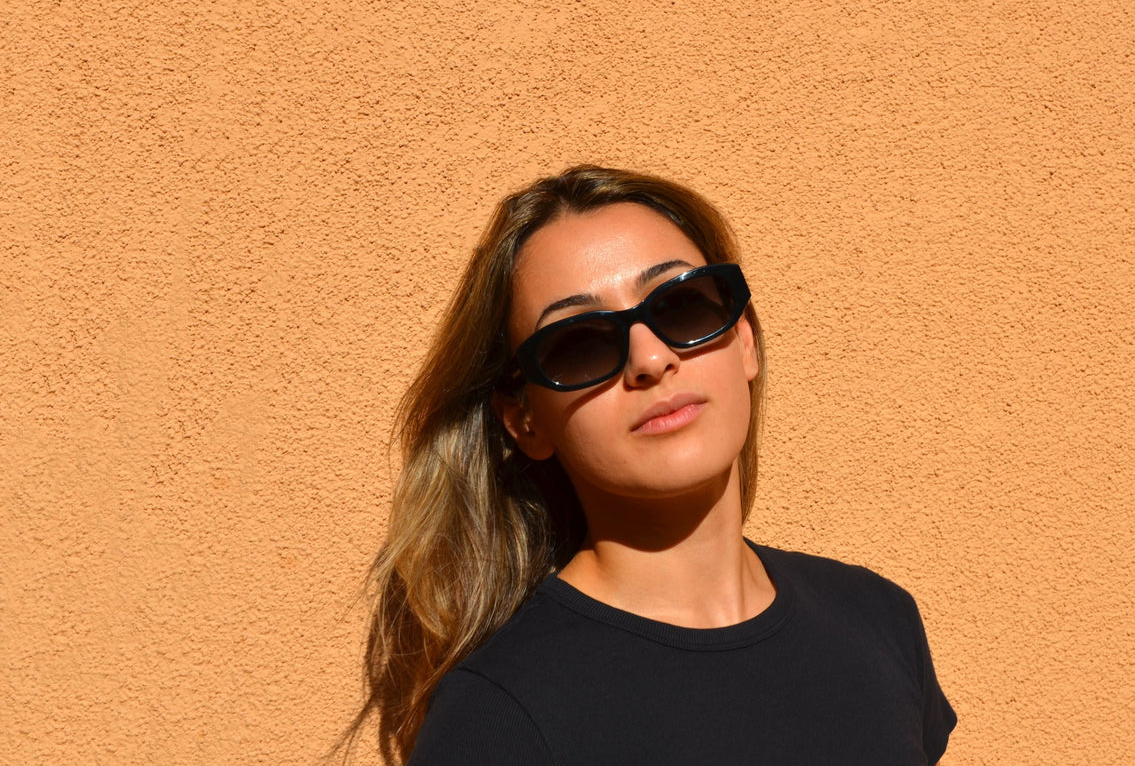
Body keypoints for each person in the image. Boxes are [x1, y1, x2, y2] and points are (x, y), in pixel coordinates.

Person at [337, 165, 957, 765]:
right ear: (525, 420)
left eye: (682, 305)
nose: (651, 359)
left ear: (744, 340)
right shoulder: (499, 717)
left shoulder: (879, 621)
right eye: (579, 343)